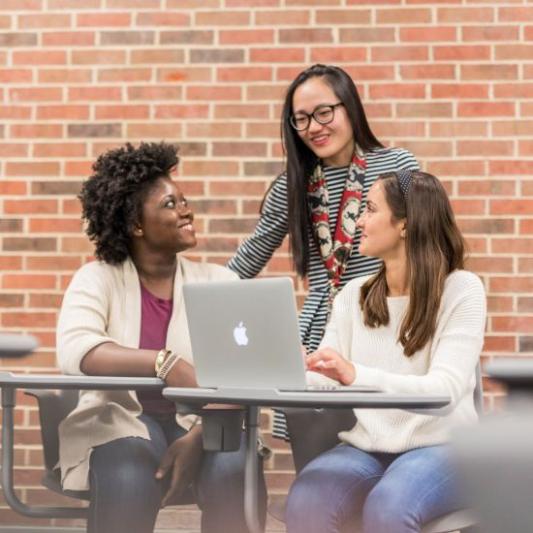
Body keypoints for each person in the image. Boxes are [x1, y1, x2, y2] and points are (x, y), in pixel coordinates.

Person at [56, 142, 266, 533]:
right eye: (170, 204)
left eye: (184, 200)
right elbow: (77, 350)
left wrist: (200, 437)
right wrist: (165, 364)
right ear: (136, 224)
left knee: (233, 468)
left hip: (207, 422)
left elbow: (247, 372)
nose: (186, 209)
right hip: (122, 418)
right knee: (130, 473)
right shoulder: (97, 278)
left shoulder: (220, 282)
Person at [284, 169, 487, 533]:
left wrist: (356, 375)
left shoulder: (462, 290)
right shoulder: (353, 296)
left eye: (371, 210)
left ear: (405, 225)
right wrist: (296, 369)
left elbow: (444, 391)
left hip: (446, 448)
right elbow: (328, 376)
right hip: (368, 446)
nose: (359, 220)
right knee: (307, 497)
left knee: (389, 506)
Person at [227, 64, 419, 438]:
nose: (314, 127)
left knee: (388, 439)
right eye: (300, 120)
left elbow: (430, 241)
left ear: (350, 107)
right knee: (320, 466)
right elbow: (247, 260)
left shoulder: (396, 166)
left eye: (324, 112)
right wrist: (193, 297)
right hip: (319, 337)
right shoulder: (291, 186)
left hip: (385, 323)